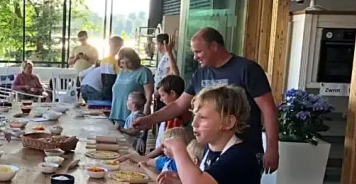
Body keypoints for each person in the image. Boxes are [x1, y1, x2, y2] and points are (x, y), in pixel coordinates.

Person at [134, 27, 280, 173]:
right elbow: (179, 105)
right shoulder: (200, 74)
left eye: (198, 51)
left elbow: (268, 109)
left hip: (244, 151)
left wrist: (272, 148)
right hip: (210, 151)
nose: (195, 57)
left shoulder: (247, 69)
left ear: (214, 46)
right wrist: (150, 119)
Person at [109, 48, 154, 126]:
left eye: (128, 62)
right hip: (117, 114)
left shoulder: (144, 71)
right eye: (122, 63)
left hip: (134, 116)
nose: (125, 65)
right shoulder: (122, 72)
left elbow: (149, 95)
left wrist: (145, 112)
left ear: (134, 60)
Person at [154, 75, 192, 150]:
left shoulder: (182, 115)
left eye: (162, 95)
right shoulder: (168, 116)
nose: (161, 99)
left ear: (172, 93)